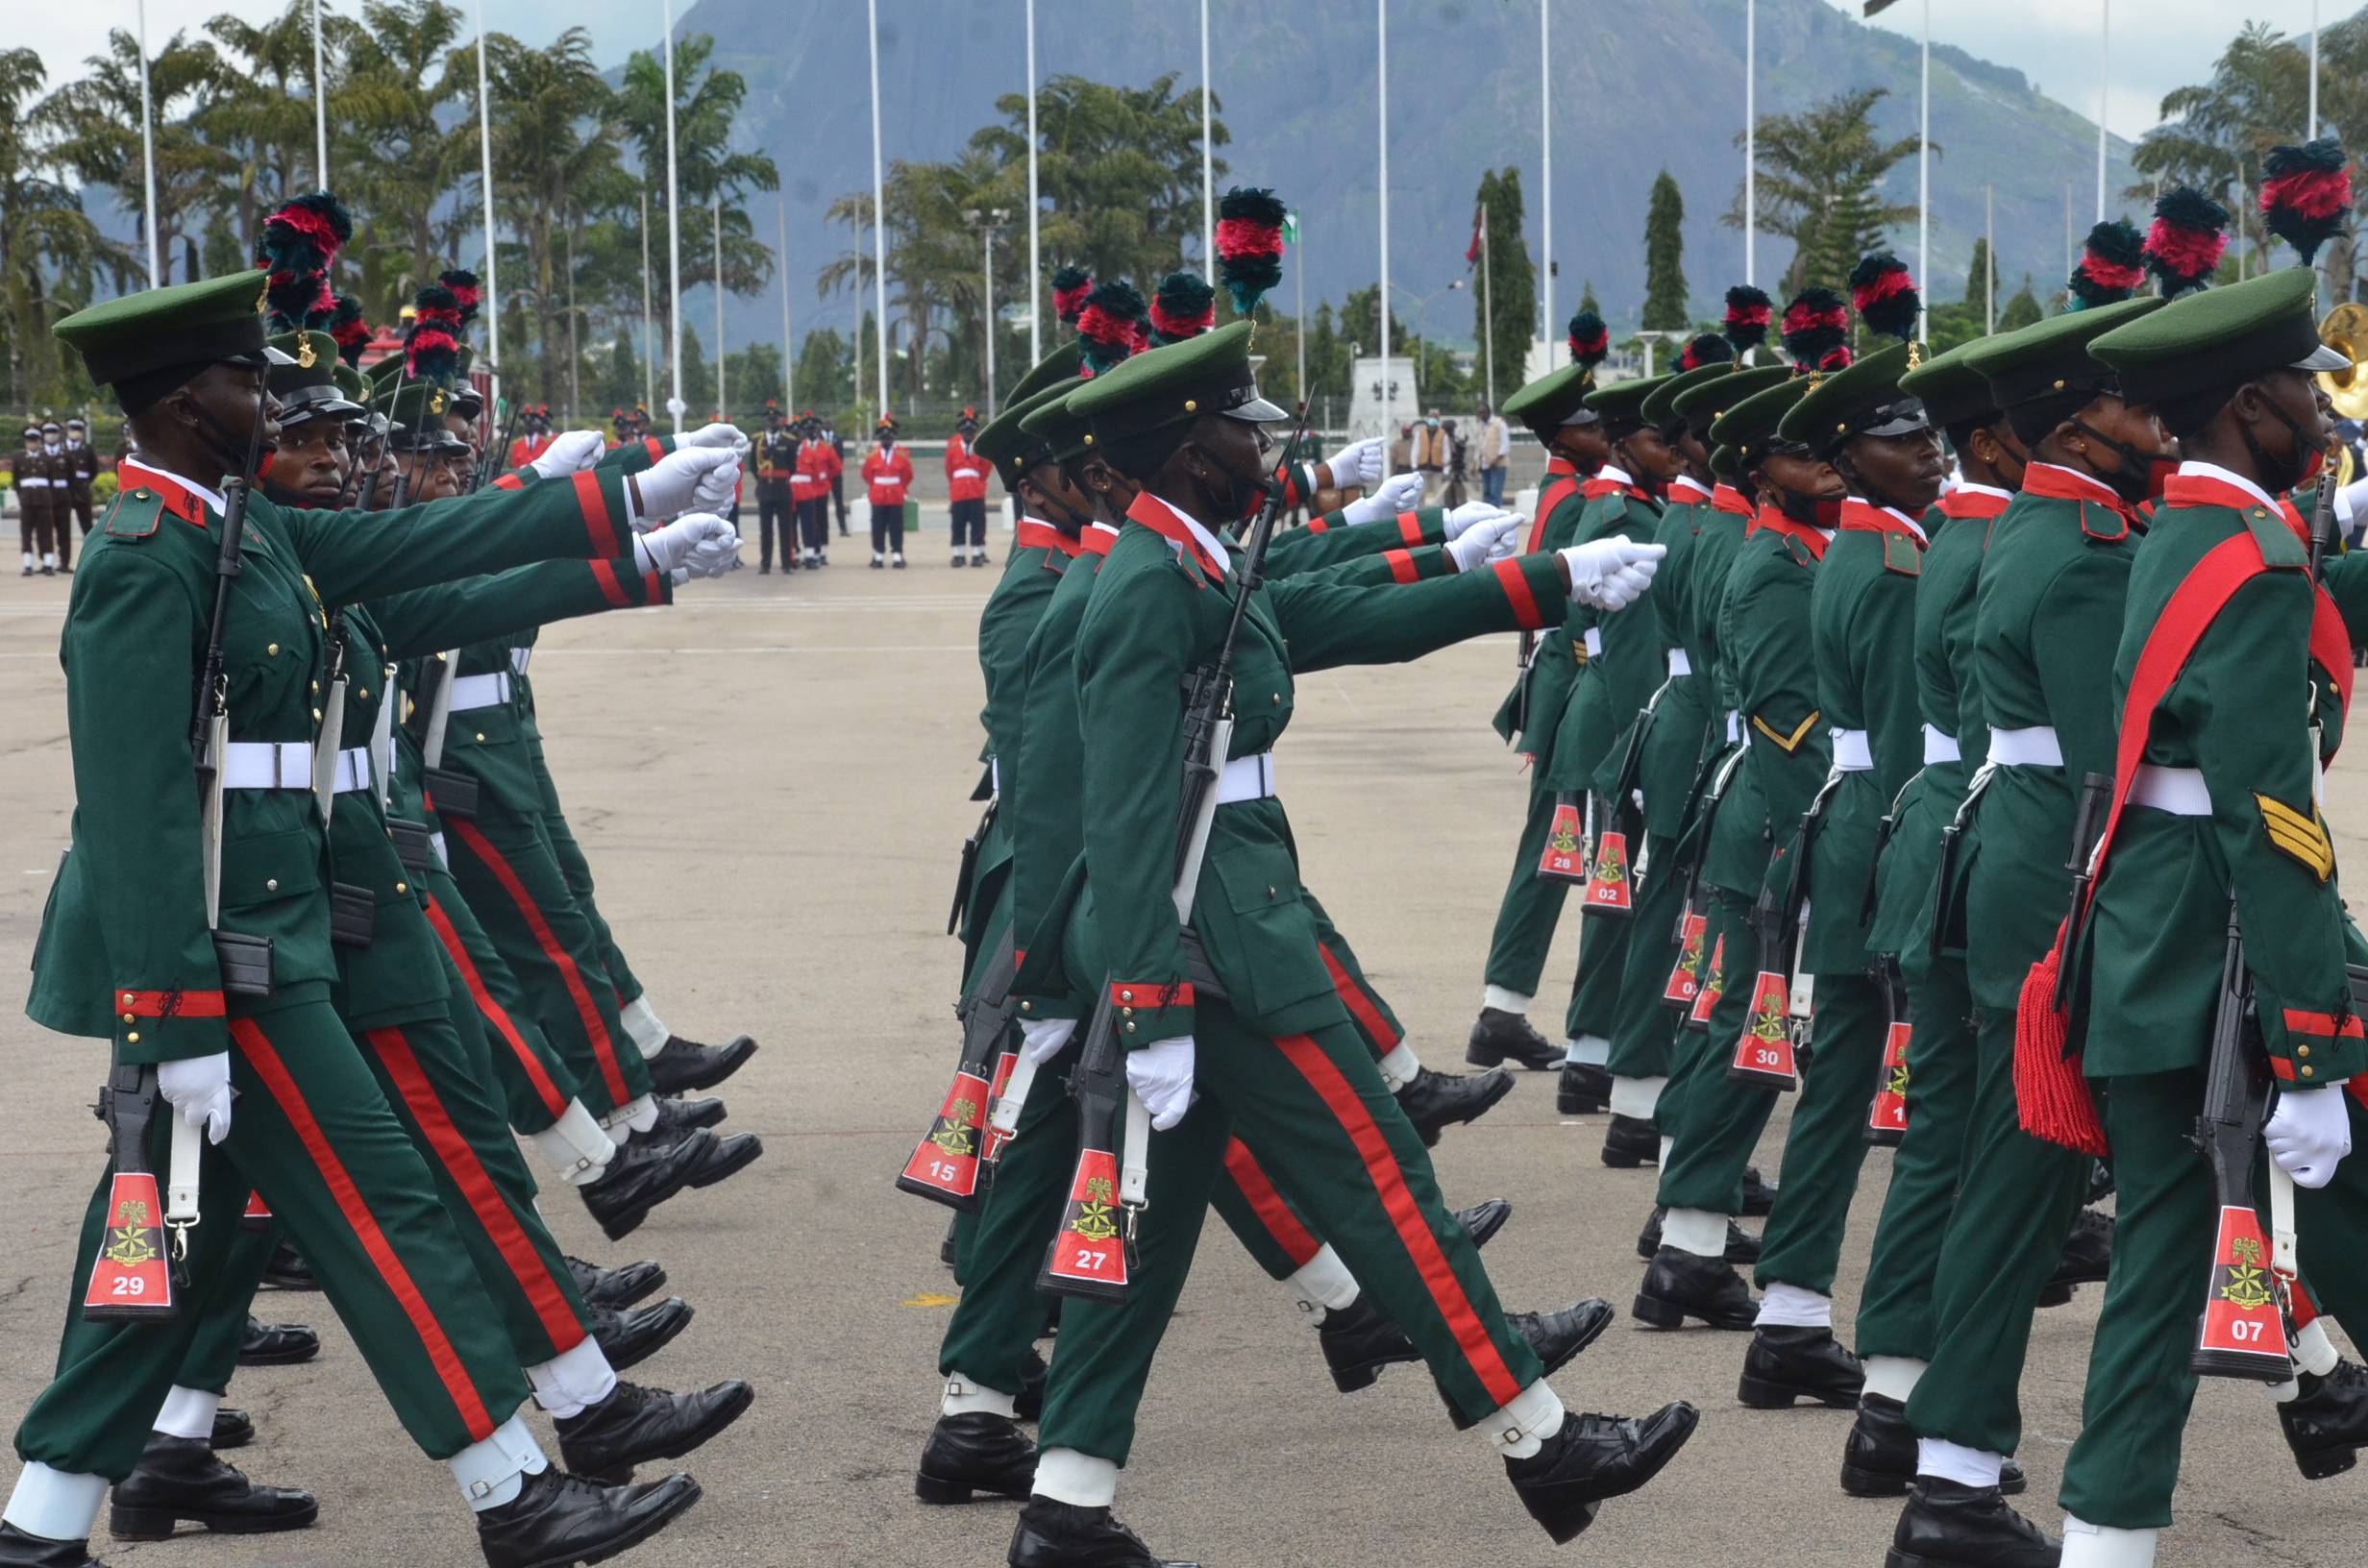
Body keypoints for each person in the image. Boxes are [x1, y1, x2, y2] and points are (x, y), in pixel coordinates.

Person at [0, 267, 727, 1568]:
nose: (266, 406)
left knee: (166, 1250)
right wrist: (173, 1015)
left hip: (268, 929)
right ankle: (514, 1494)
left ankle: (40, 1527)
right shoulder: (140, 556)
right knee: (386, 1203)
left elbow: (420, 556)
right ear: (183, 402)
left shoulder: (237, 529)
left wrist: (624, 505)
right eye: (245, 383)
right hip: (225, 954)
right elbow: (135, 808)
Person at [999, 319, 1692, 1564]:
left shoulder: (1195, 560)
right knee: (1383, 1178)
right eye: (1238, 427)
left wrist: (1525, 583)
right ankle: (1540, 1436)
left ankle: (1066, 1503)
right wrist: (1147, 1000)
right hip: (1218, 946)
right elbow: (1117, 810)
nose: (1261, 444)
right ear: (1190, 450)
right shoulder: (1150, 584)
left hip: (1225, 916)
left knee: (1146, 1245)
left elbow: (1340, 616)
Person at [2034, 265, 2363, 1568]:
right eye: (2300, 384)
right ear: (2245, 402)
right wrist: (2316, 1043)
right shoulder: (2254, 558)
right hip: (2231, 951)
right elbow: (2272, 823)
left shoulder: (2177, 530)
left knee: (2161, 1280)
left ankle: (2099, 1552)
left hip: (2147, 947)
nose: (2319, 405)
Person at [1884, 295, 2168, 1568]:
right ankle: (1948, 1486)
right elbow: (2118, 765)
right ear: (2071, 421)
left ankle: (1949, 1471)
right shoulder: (2082, 552)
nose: (2148, 422)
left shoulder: (2040, 526)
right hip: (2055, 870)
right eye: (2124, 402)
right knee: (2025, 1178)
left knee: (2024, 1176)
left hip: (2010, 856)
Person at [1735, 336, 1946, 1414]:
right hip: (1891, 828)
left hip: (1854, 824)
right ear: (1850, 459)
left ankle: (1788, 1316)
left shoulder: (1863, 548)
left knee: (1843, 1086)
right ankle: (1876, 1336)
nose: (1926, 452)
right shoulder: (1895, 566)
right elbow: (1913, 744)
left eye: (1924, 433)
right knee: (1910, 1090)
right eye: (1898, 440)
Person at [1843, 338, 2031, 1501]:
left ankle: (1892, 1399)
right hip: (1989, 842)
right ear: (2003, 439)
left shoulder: (1950, 541)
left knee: (1941, 1147)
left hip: (1949, 837)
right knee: (1991, 1156)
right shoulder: (1985, 542)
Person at [752, 403, 797, 574]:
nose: (772, 423)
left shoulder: (789, 441)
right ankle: (765, 564)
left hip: (783, 490)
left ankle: (786, 564)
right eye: (769, 420)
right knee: (765, 530)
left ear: (779, 421)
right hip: (765, 490)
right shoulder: (757, 440)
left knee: (786, 529)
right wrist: (764, 479)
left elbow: (792, 467)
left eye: (774, 420)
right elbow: (755, 468)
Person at [864, 417, 915, 569]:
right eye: (883, 438)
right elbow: (867, 474)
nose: (886, 441)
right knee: (877, 526)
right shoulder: (872, 456)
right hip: (878, 495)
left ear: (893, 439)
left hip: (895, 495)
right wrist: (876, 488)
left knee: (896, 526)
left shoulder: (902, 455)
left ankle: (897, 555)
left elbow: (908, 475)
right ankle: (878, 555)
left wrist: (900, 488)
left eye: (889, 438)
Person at [947, 405, 991, 567]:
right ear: (960, 431)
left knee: (977, 524)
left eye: (971, 431)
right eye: (965, 431)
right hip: (958, 492)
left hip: (975, 492)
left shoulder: (980, 445)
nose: (968, 434)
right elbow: (949, 469)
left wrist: (978, 483)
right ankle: (958, 554)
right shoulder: (952, 445)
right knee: (958, 524)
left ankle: (977, 553)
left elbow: (986, 468)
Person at [61, 418, 100, 567]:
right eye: (72, 430)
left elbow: (94, 470)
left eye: (78, 430)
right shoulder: (62, 448)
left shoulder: (87, 448)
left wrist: (84, 483)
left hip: (82, 490)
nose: (75, 433)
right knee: (63, 527)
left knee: (87, 526)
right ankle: (64, 561)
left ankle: (91, 559)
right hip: (65, 491)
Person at [1413, 408, 1450, 503]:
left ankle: (1439, 513)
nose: (1432, 419)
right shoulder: (1420, 433)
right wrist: (1414, 466)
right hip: (1422, 468)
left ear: (1438, 419)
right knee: (1420, 494)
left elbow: (1446, 452)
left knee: (1439, 494)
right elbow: (1415, 450)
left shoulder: (1443, 434)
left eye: (1435, 417)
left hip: (1437, 469)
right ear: (1428, 418)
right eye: (1431, 417)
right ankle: (1420, 514)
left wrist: (1446, 470)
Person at [1477, 401, 1510, 506]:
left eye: (1483, 413)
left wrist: (1496, 459)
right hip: (1484, 465)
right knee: (1486, 493)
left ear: (1489, 412)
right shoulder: (1480, 426)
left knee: (1495, 493)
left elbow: (1505, 445)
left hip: (1498, 465)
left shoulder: (1500, 423)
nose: (1482, 415)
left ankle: (1496, 518)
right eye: (1480, 413)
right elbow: (1480, 446)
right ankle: (1487, 518)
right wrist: (1476, 463)